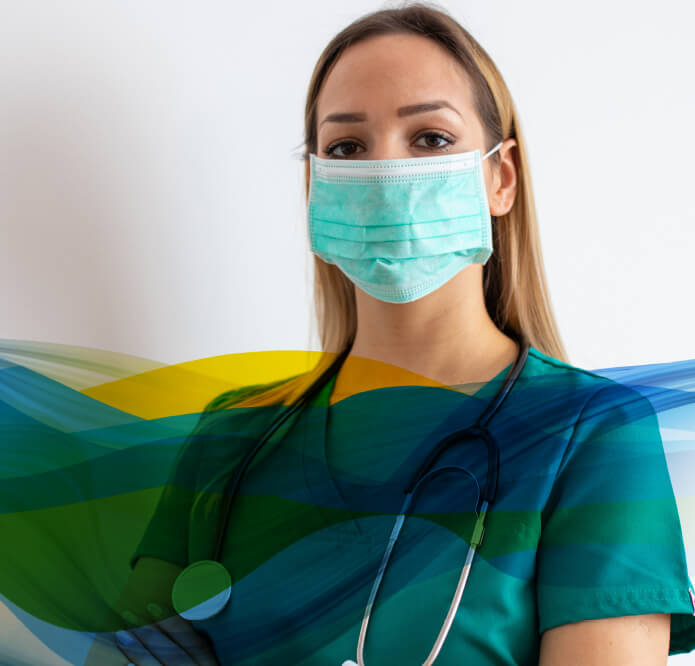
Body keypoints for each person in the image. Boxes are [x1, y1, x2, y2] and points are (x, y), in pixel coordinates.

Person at [93, 2, 695, 664]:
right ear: (315, 186)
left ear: (500, 178)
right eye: (347, 147)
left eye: (430, 139)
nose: (384, 173)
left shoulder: (593, 439)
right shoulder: (231, 439)